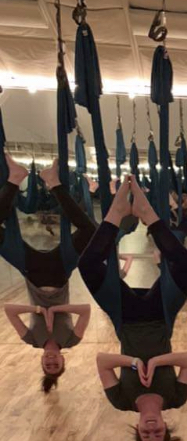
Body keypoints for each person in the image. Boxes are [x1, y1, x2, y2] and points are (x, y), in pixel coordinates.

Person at [78, 175, 187, 441]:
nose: (151, 428)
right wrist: (155, 362)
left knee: (88, 265)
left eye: (146, 434)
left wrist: (134, 362)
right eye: (158, 433)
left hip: (126, 318)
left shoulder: (122, 401)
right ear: (166, 427)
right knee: (185, 265)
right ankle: (149, 216)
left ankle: (116, 215)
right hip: (160, 315)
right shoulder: (176, 398)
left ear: (138, 429)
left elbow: (103, 362)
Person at [0, 155, 93, 393]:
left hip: (31, 271)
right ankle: (53, 182)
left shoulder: (31, 339)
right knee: (89, 231)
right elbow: (85, 310)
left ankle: (14, 180)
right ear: (62, 360)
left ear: (41, 361)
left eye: (47, 365)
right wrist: (56, 309)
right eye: (56, 365)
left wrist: (39, 310)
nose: (51, 361)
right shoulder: (72, 340)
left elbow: (9, 310)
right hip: (60, 271)